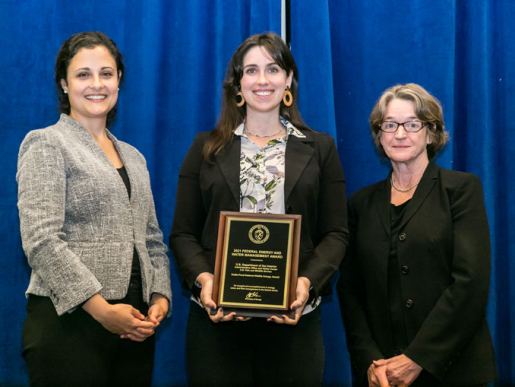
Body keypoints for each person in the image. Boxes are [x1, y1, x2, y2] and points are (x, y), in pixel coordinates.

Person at [170, 32, 348, 386]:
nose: (262, 80)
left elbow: (336, 233)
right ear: (237, 84)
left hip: (294, 320)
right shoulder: (204, 148)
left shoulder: (321, 148)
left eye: (273, 69)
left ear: (289, 80)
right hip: (217, 321)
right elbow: (183, 233)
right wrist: (204, 281)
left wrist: (305, 284)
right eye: (251, 71)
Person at [17, 31, 171, 387]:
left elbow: (151, 238)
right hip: (69, 323)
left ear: (119, 80)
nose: (96, 84)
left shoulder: (134, 156)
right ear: (64, 84)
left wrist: (159, 297)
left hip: (134, 326)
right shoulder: (46, 143)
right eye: (83, 74)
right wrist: (101, 310)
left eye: (106, 73)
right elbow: (41, 241)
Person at [337, 83, 497, 386]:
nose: (400, 134)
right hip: (381, 375)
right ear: (379, 133)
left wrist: (418, 359)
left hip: (451, 370)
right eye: (390, 124)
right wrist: (369, 362)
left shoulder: (461, 190)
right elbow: (351, 290)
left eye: (412, 124)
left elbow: (470, 283)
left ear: (431, 132)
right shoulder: (360, 204)